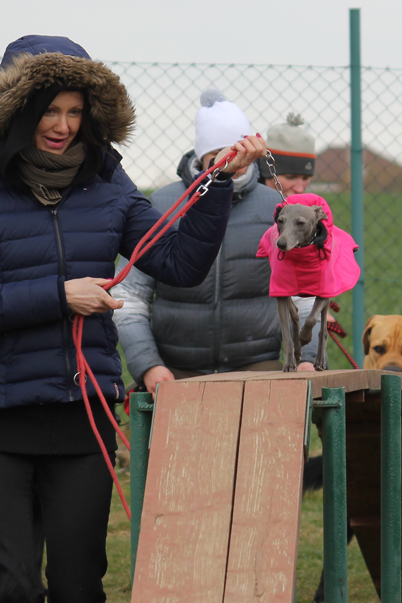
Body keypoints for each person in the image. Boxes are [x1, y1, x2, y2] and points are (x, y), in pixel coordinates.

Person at [0, 35, 266, 603]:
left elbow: (179, 263)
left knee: (79, 599)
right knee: (16, 594)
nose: (62, 126)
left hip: (80, 419)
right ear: (14, 111)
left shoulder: (109, 184)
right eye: (48, 110)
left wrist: (217, 181)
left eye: (75, 111)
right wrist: (60, 295)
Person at [112, 89, 282, 393]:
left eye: (240, 148)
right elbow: (129, 297)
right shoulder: (162, 205)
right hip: (175, 369)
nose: (233, 159)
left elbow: (302, 292)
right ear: (203, 154)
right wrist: (149, 365)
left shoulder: (274, 208)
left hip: (259, 366)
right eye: (221, 153)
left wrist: (307, 358)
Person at [259, 112, 328, 370]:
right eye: (289, 178)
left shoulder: (306, 216)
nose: (300, 188)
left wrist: (308, 358)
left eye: (306, 179)